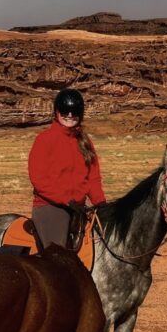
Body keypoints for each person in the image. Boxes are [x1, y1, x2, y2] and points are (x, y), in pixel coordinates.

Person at [28, 88, 106, 249]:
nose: (70, 115)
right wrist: (66, 201)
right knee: (59, 257)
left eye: (74, 111)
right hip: (51, 207)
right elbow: (39, 180)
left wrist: (101, 204)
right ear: (56, 112)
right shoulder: (44, 140)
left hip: (79, 207)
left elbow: (93, 178)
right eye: (65, 111)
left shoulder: (85, 142)